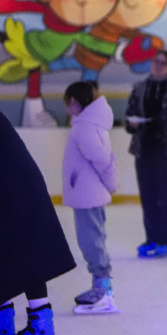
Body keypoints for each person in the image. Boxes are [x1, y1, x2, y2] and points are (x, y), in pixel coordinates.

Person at [0, 111, 76, 335]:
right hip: (16, 192)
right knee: (14, 253)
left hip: (16, 195)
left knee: (27, 255)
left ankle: (40, 326)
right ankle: (5, 324)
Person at [61, 81, 120, 314]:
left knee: (90, 240)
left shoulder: (84, 127)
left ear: (74, 101)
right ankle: (101, 286)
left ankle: (103, 290)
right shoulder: (90, 124)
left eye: (67, 102)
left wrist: (110, 183)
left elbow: (101, 159)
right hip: (87, 193)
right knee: (93, 237)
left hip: (88, 195)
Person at [125, 50, 167, 259]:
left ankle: (166, 240)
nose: (159, 65)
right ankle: (151, 237)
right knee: (148, 196)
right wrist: (132, 123)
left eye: (164, 63)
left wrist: (166, 126)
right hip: (144, 149)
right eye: (156, 61)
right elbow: (129, 117)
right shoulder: (139, 88)